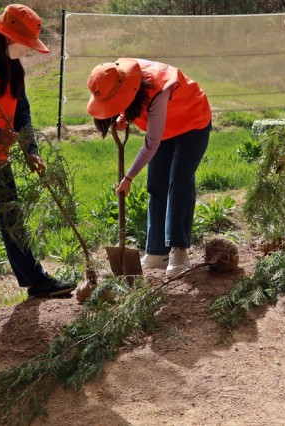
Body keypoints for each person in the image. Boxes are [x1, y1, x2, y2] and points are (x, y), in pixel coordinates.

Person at [0, 4, 74, 325]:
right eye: (24, 43)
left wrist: (30, 149)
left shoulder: (11, 65)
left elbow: (21, 111)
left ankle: (35, 281)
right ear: (5, 35)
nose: (28, 51)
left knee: (14, 223)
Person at [86, 59, 212, 276]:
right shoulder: (116, 77)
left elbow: (151, 143)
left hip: (192, 121)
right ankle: (156, 252)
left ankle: (178, 250)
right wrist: (122, 115)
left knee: (179, 181)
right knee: (156, 184)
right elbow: (129, 99)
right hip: (165, 126)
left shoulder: (159, 91)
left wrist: (129, 177)